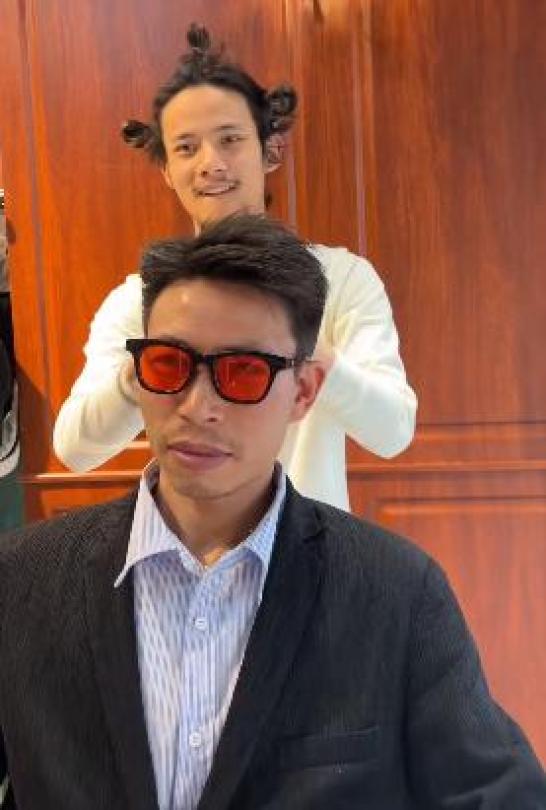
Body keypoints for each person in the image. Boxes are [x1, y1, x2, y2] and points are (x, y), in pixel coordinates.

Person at [2, 216, 544, 809]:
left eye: (244, 372)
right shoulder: (20, 580)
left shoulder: (395, 590)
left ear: (304, 392)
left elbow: (501, 793)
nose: (197, 406)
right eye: (168, 364)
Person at [52, 23, 417, 511]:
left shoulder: (345, 280)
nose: (211, 163)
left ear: (269, 150)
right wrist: (155, 361)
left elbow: (393, 431)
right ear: (167, 171)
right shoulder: (138, 301)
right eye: (186, 148)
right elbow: (74, 449)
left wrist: (299, 344)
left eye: (230, 139)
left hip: (306, 547)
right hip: (179, 545)